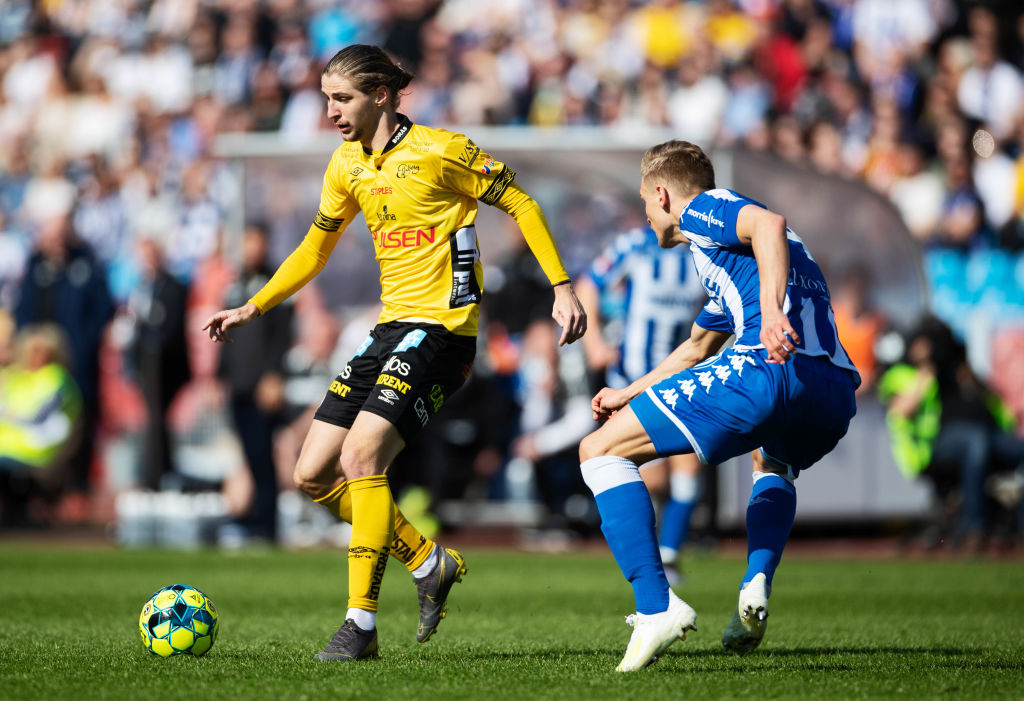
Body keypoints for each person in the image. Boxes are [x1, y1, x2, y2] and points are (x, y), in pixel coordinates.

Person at [203, 44, 586, 661]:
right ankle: (427, 559)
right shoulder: (346, 164)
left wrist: (561, 289)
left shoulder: (442, 150)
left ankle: (360, 626)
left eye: (341, 98)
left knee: (361, 456)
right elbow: (313, 248)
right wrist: (255, 306)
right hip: (389, 331)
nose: (329, 110)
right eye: (326, 98)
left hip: (442, 333)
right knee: (309, 474)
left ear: (381, 94)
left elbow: (521, 201)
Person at [578, 140, 859, 672]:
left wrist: (772, 316)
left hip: (769, 366)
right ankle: (756, 582)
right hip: (832, 388)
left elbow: (769, 224)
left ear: (661, 193)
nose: (644, 212)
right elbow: (696, 348)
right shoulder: (734, 267)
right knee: (771, 463)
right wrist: (626, 392)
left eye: (643, 200)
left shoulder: (704, 208)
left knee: (599, 452)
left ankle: (655, 606)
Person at [577, 226, 707, 583]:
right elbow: (588, 285)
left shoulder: (703, 252)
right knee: (654, 482)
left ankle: (669, 558)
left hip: (681, 379)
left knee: (689, 473)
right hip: (630, 381)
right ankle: (648, 564)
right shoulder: (634, 243)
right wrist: (595, 345)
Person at [217, 222, 294, 542]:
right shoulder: (235, 284)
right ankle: (256, 520)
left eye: (256, 241)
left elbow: (282, 336)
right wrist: (219, 377)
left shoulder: (275, 283)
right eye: (246, 241)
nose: (251, 248)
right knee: (249, 456)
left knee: (263, 459)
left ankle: (269, 527)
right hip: (238, 386)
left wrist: (274, 375)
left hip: (263, 385)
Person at [127, 237, 191, 491]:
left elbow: (171, 327)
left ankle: (162, 474)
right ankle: (152, 473)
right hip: (145, 364)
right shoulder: (140, 287)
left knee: (160, 420)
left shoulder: (174, 287)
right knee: (151, 421)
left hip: (166, 367)